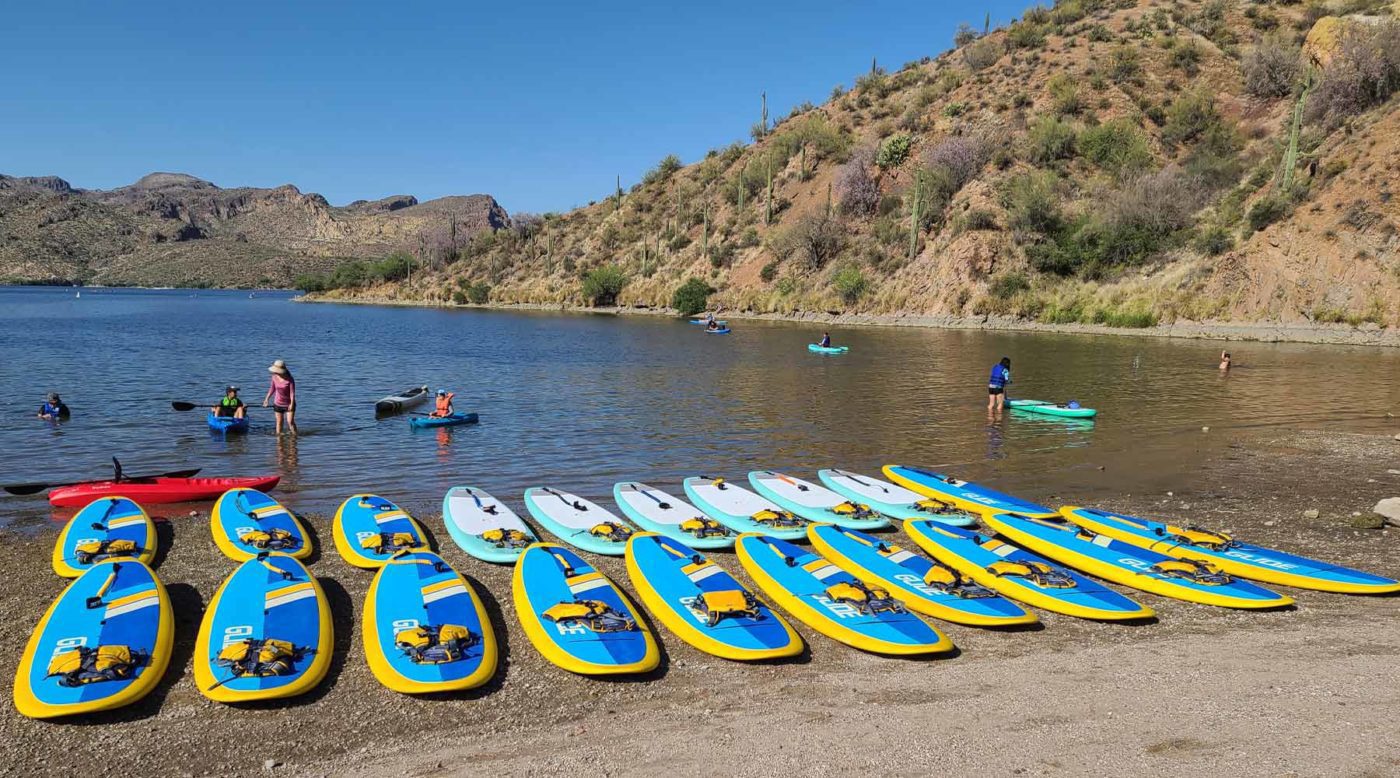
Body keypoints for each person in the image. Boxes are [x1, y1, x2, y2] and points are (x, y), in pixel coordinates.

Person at [263, 359, 297, 434]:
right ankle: (279, 441)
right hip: (278, 403)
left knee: (290, 422)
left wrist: (291, 404)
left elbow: (292, 393)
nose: (275, 372)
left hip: (289, 403)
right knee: (279, 422)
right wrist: (266, 399)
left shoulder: (290, 379)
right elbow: (272, 388)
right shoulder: (274, 377)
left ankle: (295, 437)